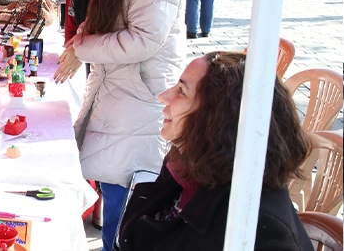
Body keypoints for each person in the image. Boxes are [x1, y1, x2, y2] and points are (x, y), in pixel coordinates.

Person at [53, 0, 186, 251]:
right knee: (115, 187)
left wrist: (82, 47)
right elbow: (102, 21)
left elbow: (142, 40)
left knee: (127, 195)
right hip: (118, 93)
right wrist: (80, 38)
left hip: (141, 97)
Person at [117, 52, 312, 251]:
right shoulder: (186, 164)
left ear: (217, 118)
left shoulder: (257, 229)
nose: (163, 96)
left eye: (182, 91)